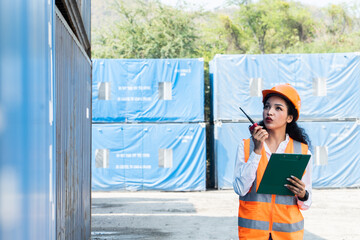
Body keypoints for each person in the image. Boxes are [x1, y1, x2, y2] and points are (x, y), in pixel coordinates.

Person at [233, 83, 312, 240]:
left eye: (278, 108)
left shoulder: (302, 151)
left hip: (288, 234)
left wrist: (303, 194)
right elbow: (240, 189)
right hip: (253, 234)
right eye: (267, 107)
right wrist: (257, 150)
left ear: (290, 117)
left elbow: (306, 203)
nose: (269, 112)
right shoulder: (247, 146)